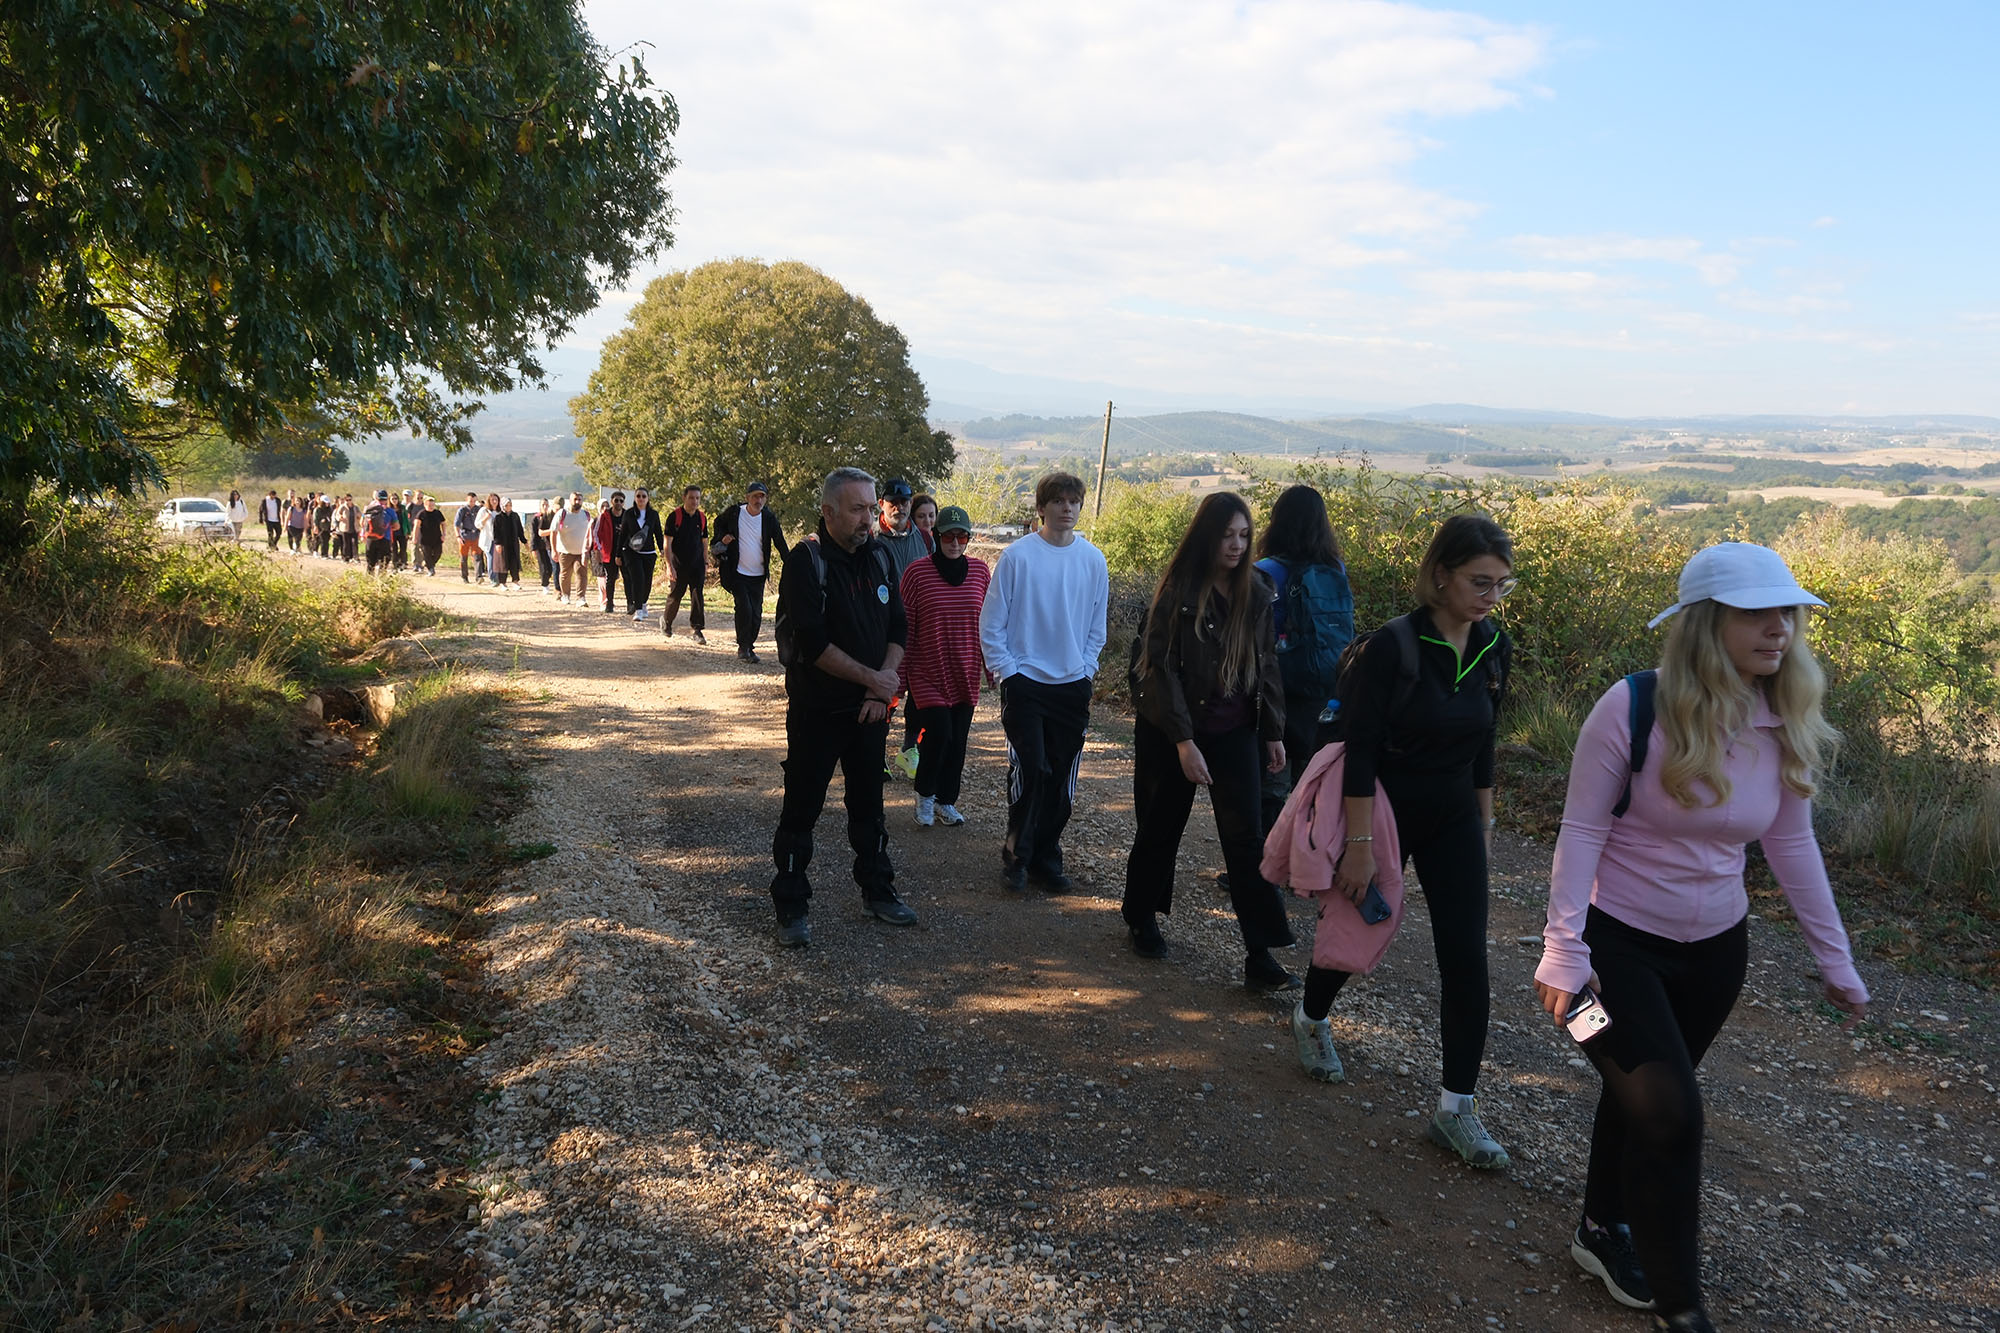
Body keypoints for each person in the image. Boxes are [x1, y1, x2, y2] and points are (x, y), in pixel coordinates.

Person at [1535, 543, 1868, 1333]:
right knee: (1671, 1113)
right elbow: (1579, 830)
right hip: (1608, 953)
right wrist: (1562, 950)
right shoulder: (1632, 707)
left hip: (1716, 954)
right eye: (1758, 612)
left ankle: (1599, 1230)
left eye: (1786, 612)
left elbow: (1791, 843)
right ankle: (1682, 1308)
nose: (1779, 628)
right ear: (1706, 623)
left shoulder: (1779, 718)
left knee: (1646, 1097)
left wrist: (1836, 958)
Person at [1307, 513, 1515, 1169]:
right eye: (1480, 581)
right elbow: (1361, 751)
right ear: (1441, 574)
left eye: (1501, 585)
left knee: (1466, 957)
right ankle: (1311, 1017)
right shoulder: (1393, 647)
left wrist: (1483, 827)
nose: (1489, 596)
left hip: (1453, 815)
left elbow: (1485, 743)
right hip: (1387, 812)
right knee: (1354, 930)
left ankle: (1456, 1107)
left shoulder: (1492, 645)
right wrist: (1359, 845)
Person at [1122, 493, 1298, 989]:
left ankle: (1260, 953)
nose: (1237, 545)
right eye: (1227, 535)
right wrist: (1182, 741)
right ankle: (1142, 916)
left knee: (1246, 841)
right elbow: (1159, 670)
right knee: (1161, 826)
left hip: (1233, 731)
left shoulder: (1258, 593)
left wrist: (1272, 733)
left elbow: (1266, 667)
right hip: (1171, 730)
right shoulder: (1179, 590)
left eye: (1244, 535)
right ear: (1207, 535)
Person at [769, 467, 919, 946]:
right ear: (828, 511)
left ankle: (879, 890)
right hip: (818, 713)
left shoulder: (879, 556)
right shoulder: (805, 562)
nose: (869, 518)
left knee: (869, 808)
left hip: (871, 713)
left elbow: (898, 627)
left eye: (872, 508)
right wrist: (874, 679)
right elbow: (813, 645)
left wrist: (881, 690)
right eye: (858, 509)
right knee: (801, 810)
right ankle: (791, 905)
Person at [977, 471, 1109, 893]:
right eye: (1058, 501)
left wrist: (1087, 667)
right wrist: (1008, 670)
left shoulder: (1093, 559)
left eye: (1073, 501)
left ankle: (1046, 858)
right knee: (1032, 769)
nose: (1067, 508)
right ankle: (1017, 855)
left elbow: (1096, 626)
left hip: (1072, 685)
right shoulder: (1018, 557)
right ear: (1041, 508)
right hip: (1026, 682)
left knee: (1060, 779)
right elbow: (991, 622)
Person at [1254, 484, 1355, 831]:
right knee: (1308, 782)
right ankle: (1302, 865)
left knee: (1271, 782)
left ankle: (1264, 870)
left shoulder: (1264, 570)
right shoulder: (1335, 569)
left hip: (1276, 688)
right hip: (1324, 685)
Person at [899, 505, 990, 828]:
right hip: (928, 671)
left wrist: (991, 668)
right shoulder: (917, 573)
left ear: (968, 539)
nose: (954, 542)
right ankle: (925, 796)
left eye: (961, 536)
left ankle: (946, 801)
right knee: (939, 735)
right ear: (936, 537)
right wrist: (898, 678)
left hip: (965, 671)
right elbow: (905, 626)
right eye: (948, 536)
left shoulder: (981, 572)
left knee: (958, 742)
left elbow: (988, 625)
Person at [713, 481, 790, 661]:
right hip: (737, 572)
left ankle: (750, 646)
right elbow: (718, 522)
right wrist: (722, 539)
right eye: (755, 496)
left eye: (762, 496)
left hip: (758, 574)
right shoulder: (734, 513)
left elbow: (780, 542)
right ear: (747, 498)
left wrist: (791, 563)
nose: (759, 500)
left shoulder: (768, 518)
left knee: (756, 613)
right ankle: (743, 647)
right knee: (744, 609)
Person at [661, 484, 709, 642]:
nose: (694, 501)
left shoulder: (701, 518)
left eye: (697, 498)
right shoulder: (675, 516)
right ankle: (667, 622)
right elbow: (667, 543)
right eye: (691, 498)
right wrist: (669, 566)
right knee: (676, 595)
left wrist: (705, 560)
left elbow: (704, 541)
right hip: (678, 565)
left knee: (697, 596)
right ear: (684, 498)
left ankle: (697, 629)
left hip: (697, 565)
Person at [616, 487, 662, 620]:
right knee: (638, 579)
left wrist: (662, 549)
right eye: (638, 496)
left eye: (643, 496)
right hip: (632, 552)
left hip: (649, 552)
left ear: (648, 499)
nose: (641, 499)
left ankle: (643, 603)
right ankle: (638, 610)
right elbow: (623, 534)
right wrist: (618, 554)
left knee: (647, 580)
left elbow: (658, 533)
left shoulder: (653, 514)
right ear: (635, 499)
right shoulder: (629, 514)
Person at [874, 478, 931, 584]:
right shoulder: (869, 538)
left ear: (911, 503)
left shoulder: (925, 539)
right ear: (881, 504)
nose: (899, 507)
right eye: (893, 502)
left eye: (904, 502)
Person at [551, 492, 594, 604]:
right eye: (575, 499)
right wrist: (554, 550)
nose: (577, 502)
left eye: (579, 499)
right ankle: (565, 595)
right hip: (565, 551)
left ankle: (581, 598)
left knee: (581, 573)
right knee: (565, 574)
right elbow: (553, 532)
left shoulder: (586, 515)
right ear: (570, 500)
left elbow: (591, 533)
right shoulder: (562, 513)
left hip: (581, 552)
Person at [593, 493, 625, 613]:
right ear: (612, 501)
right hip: (609, 551)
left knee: (628, 578)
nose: (618, 503)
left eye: (621, 501)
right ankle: (609, 603)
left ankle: (631, 604)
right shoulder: (604, 516)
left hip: (624, 552)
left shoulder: (627, 515)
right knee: (610, 579)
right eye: (616, 500)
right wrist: (598, 549)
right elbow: (596, 533)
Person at [361, 488, 398, 573]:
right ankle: (381, 582)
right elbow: (397, 526)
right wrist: (387, 527)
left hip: (371, 538)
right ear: (386, 499)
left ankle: (369, 583)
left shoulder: (368, 509)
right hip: (385, 538)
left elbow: (362, 523)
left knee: (370, 564)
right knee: (383, 564)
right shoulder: (390, 511)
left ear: (376, 498)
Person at [491, 497, 525, 588]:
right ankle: (503, 583)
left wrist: (524, 540)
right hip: (503, 544)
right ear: (502, 506)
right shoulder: (498, 517)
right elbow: (496, 532)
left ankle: (515, 581)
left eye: (510, 505)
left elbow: (520, 530)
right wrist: (497, 543)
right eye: (506, 505)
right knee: (502, 564)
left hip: (513, 543)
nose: (508, 507)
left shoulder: (515, 516)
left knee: (514, 563)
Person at [455, 491, 486, 581]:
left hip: (476, 535)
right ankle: (464, 576)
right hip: (465, 535)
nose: (472, 503)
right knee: (464, 558)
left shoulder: (479, 510)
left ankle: (478, 576)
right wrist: (458, 536)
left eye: (474, 501)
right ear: (467, 500)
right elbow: (456, 524)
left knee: (477, 556)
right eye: (470, 501)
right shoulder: (462, 510)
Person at [414, 495, 446, 576]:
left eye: (432, 505)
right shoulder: (421, 514)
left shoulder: (438, 513)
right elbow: (416, 526)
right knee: (427, 554)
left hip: (437, 537)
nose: (431, 507)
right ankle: (431, 569)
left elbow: (443, 523)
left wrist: (444, 534)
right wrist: (415, 537)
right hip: (425, 539)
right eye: (429, 505)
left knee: (438, 553)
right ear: (425, 505)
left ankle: (430, 564)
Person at [530, 497, 555, 593]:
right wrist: (533, 548)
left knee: (550, 566)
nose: (545, 506)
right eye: (543, 505)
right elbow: (533, 534)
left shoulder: (551, 517)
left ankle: (547, 580)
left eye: (546, 504)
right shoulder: (536, 519)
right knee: (543, 566)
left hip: (550, 545)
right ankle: (545, 585)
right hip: (539, 546)